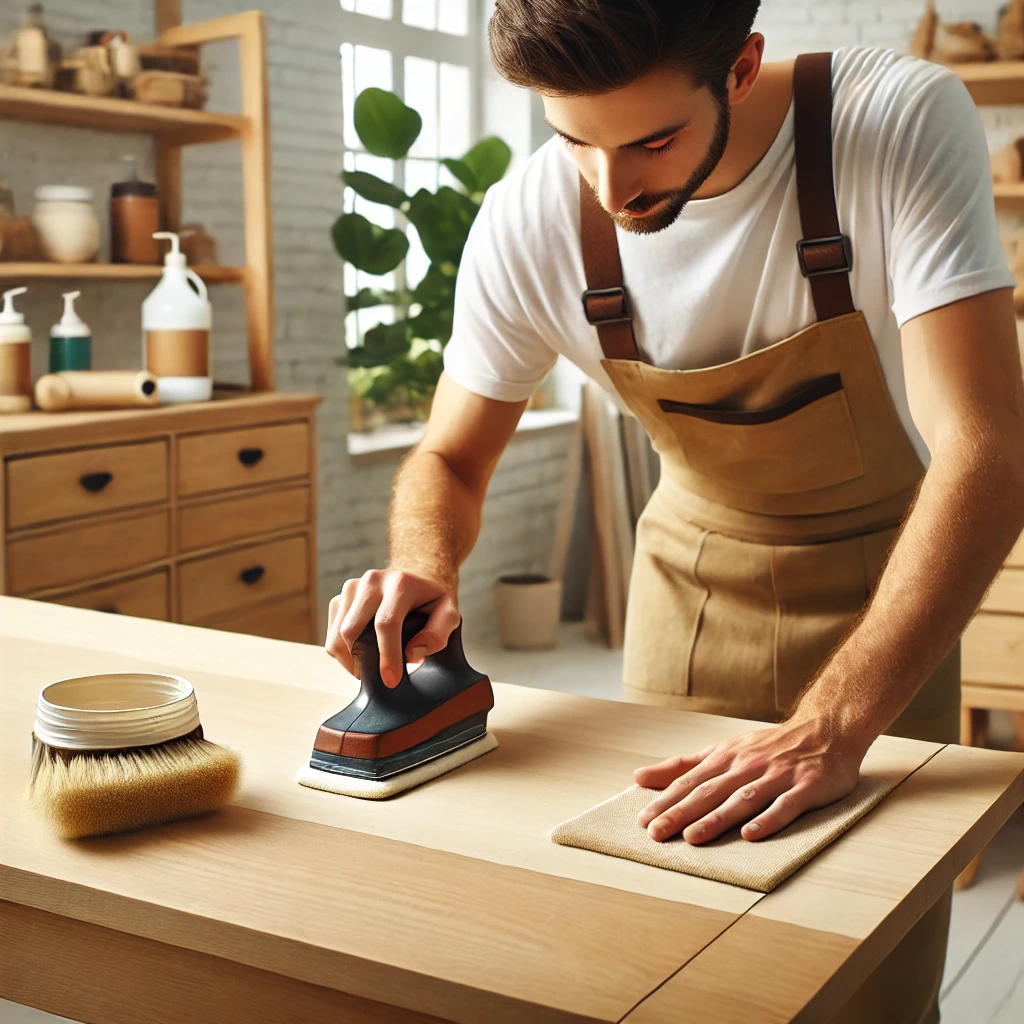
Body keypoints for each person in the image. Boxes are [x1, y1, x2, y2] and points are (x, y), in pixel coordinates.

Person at [326, 3, 1024, 1021]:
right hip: (688, 591)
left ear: (741, 71)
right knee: (662, 952)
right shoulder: (530, 220)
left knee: (872, 967)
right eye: (573, 141)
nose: (614, 189)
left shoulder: (892, 122)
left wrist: (833, 726)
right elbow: (448, 455)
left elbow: (986, 447)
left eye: (652, 139)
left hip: (890, 588)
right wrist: (424, 563)